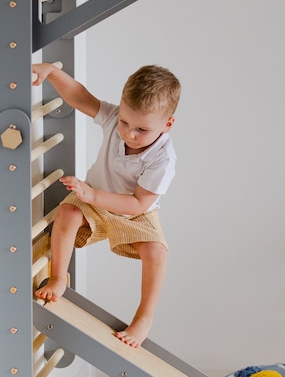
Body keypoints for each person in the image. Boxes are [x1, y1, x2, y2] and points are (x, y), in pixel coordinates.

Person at [31, 63, 180, 348]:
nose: (129, 134)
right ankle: (58, 277)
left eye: (141, 129)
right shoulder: (114, 118)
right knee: (67, 212)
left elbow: (138, 202)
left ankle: (144, 317)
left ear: (167, 124)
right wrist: (51, 71)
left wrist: (92, 196)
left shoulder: (163, 159)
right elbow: (80, 97)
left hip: (136, 212)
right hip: (93, 198)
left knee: (157, 252)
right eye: (125, 122)